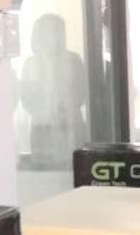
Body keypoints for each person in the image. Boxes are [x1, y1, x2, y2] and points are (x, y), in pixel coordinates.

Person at [20, 14, 89, 163]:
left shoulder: (73, 59)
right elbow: (26, 100)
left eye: (58, 31)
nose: (54, 36)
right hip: (42, 128)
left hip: (71, 126)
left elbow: (82, 92)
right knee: (45, 171)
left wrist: (65, 108)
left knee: (76, 168)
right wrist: (44, 109)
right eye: (50, 31)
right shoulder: (30, 63)